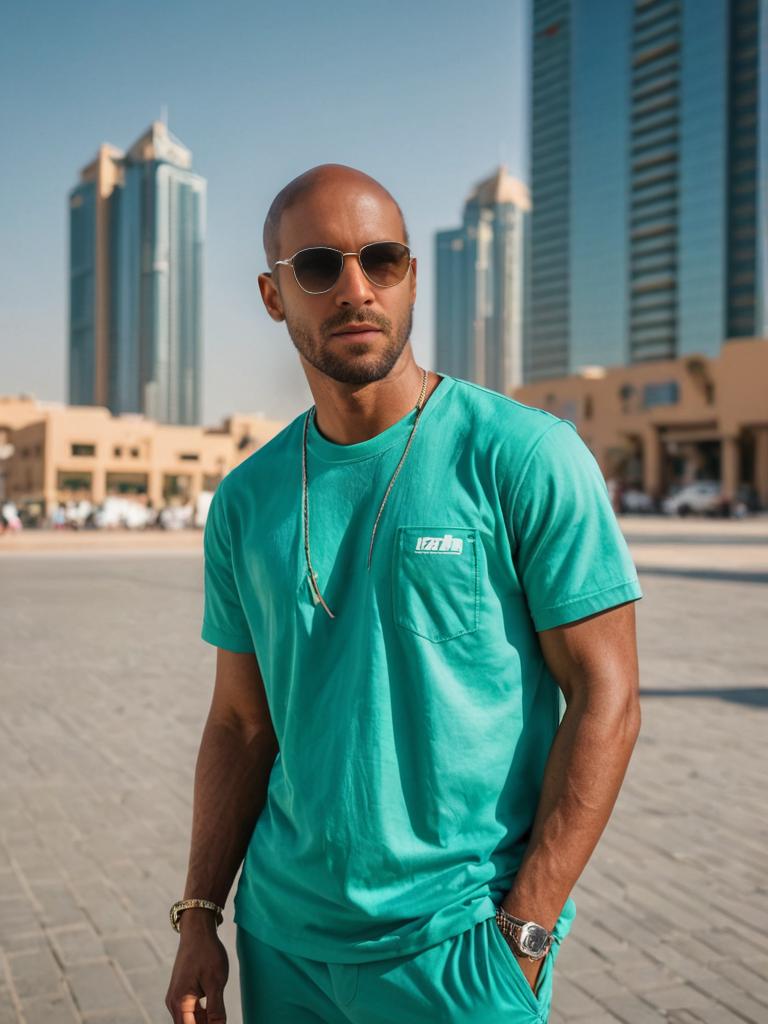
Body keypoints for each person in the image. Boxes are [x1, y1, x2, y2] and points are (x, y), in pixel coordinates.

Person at [165, 164, 644, 1024]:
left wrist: (526, 929)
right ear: (274, 296)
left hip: (461, 950)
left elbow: (606, 695)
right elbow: (240, 723)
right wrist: (201, 913)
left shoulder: (524, 457)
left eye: (382, 260)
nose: (356, 289)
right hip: (283, 943)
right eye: (319, 267)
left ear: (412, 275)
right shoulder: (246, 498)